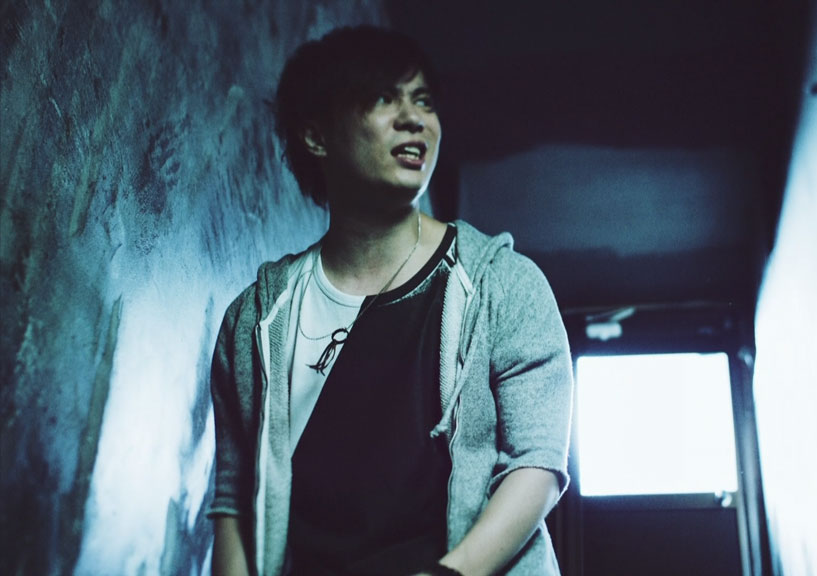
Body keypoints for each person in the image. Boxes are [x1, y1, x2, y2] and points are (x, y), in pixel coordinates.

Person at [208, 26, 574, 576]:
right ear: (316, 135)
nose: (414, 118)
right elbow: (235, 502)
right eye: (384, 97)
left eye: (424, 100)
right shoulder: (256, 318)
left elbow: (537, 463)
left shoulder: (502, 284)